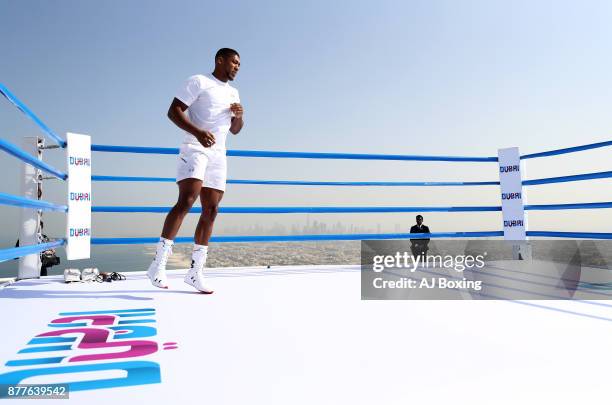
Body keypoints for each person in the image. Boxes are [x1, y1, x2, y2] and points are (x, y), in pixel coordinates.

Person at [147, 48, 244, 293]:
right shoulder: (199, 81)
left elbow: (235, 130)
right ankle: (158, 265)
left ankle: (195, 272)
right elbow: (173, 111)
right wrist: (198, 133)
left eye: (239, 64)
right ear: (219, 60)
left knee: (211, 210)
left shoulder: (234, 92)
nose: (236, 67)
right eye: (234, 62)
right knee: (187, 201)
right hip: (194, 147)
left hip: (218, 153)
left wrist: (239, 116)